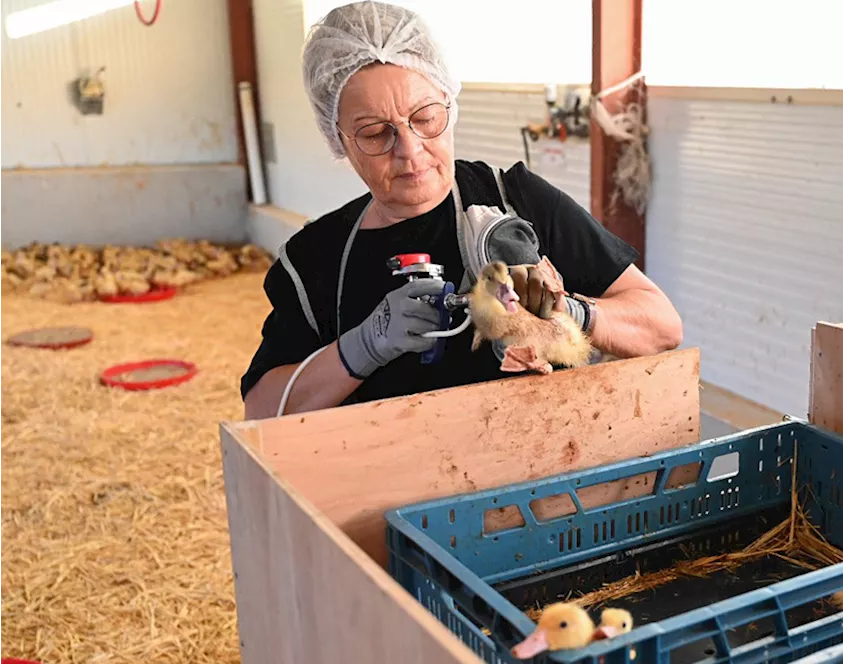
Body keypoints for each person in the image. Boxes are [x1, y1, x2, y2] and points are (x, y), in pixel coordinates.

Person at [240, 1, 682, 419]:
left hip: (544, 471)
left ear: (449, 104)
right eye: (375, 133)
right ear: (338, 139)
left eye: (426, 117)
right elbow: (261, 412)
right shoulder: (315, 260)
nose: (410, 152)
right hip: (394, 487)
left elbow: (661, 326)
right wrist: (362, 348)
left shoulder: (517, 200)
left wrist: (571, 311)